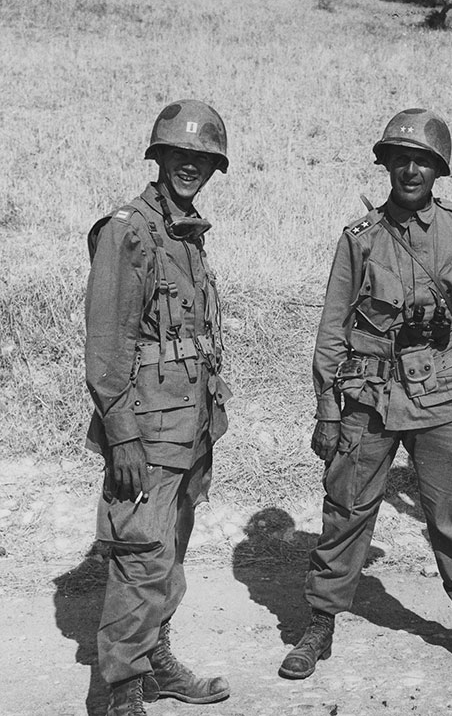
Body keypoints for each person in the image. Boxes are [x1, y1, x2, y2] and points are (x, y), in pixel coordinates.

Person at [278, 108, 452, 684]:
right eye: (401, 158)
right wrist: (326, 408)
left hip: (442, 392)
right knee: (346, 509)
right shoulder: (359, 239)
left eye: (422, 160)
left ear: (437, 169)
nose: (410, 169)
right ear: (386, 165)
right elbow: (332, 325)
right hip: (369, 395)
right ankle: (320, 623)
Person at [85, 100, 234, 716]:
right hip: (145, 429)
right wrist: (121, 437)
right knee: (141, 555)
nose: (189, 166)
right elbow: (108, 343)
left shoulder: (185, 231)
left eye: (201, 158)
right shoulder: (131, 229)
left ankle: (156, 663)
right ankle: (121, 692)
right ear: (159, 156)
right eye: (180, 155)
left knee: (168, 549)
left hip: (187, 424)